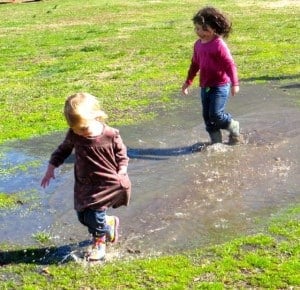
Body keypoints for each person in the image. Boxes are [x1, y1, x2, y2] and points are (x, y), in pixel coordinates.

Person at [41, 92, 131, 261]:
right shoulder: (74, 134)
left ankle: (99, 243)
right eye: (75, 129)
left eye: (83, 128)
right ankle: (108, 224)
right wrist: (51, 167)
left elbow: (122, 153)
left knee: (94, 216)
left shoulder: (110, 134)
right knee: (83, 216)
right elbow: (63, 150)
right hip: (84, 183)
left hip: (106, 182)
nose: (80, 133)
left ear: (96, 116)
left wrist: (123, 169)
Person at [181, 6, 240, 144]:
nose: (199, 32)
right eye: (196, 28)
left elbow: (229, 64)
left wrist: (235, 83)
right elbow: (195, 64)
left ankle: (233, 126)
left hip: (220, 85)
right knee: (207, 117)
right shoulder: (198, 45)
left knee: (216, 114)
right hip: (205, 86)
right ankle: (216, 143)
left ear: (213, 28)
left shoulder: (219, 45)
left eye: (202, 29)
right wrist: (188, 82)